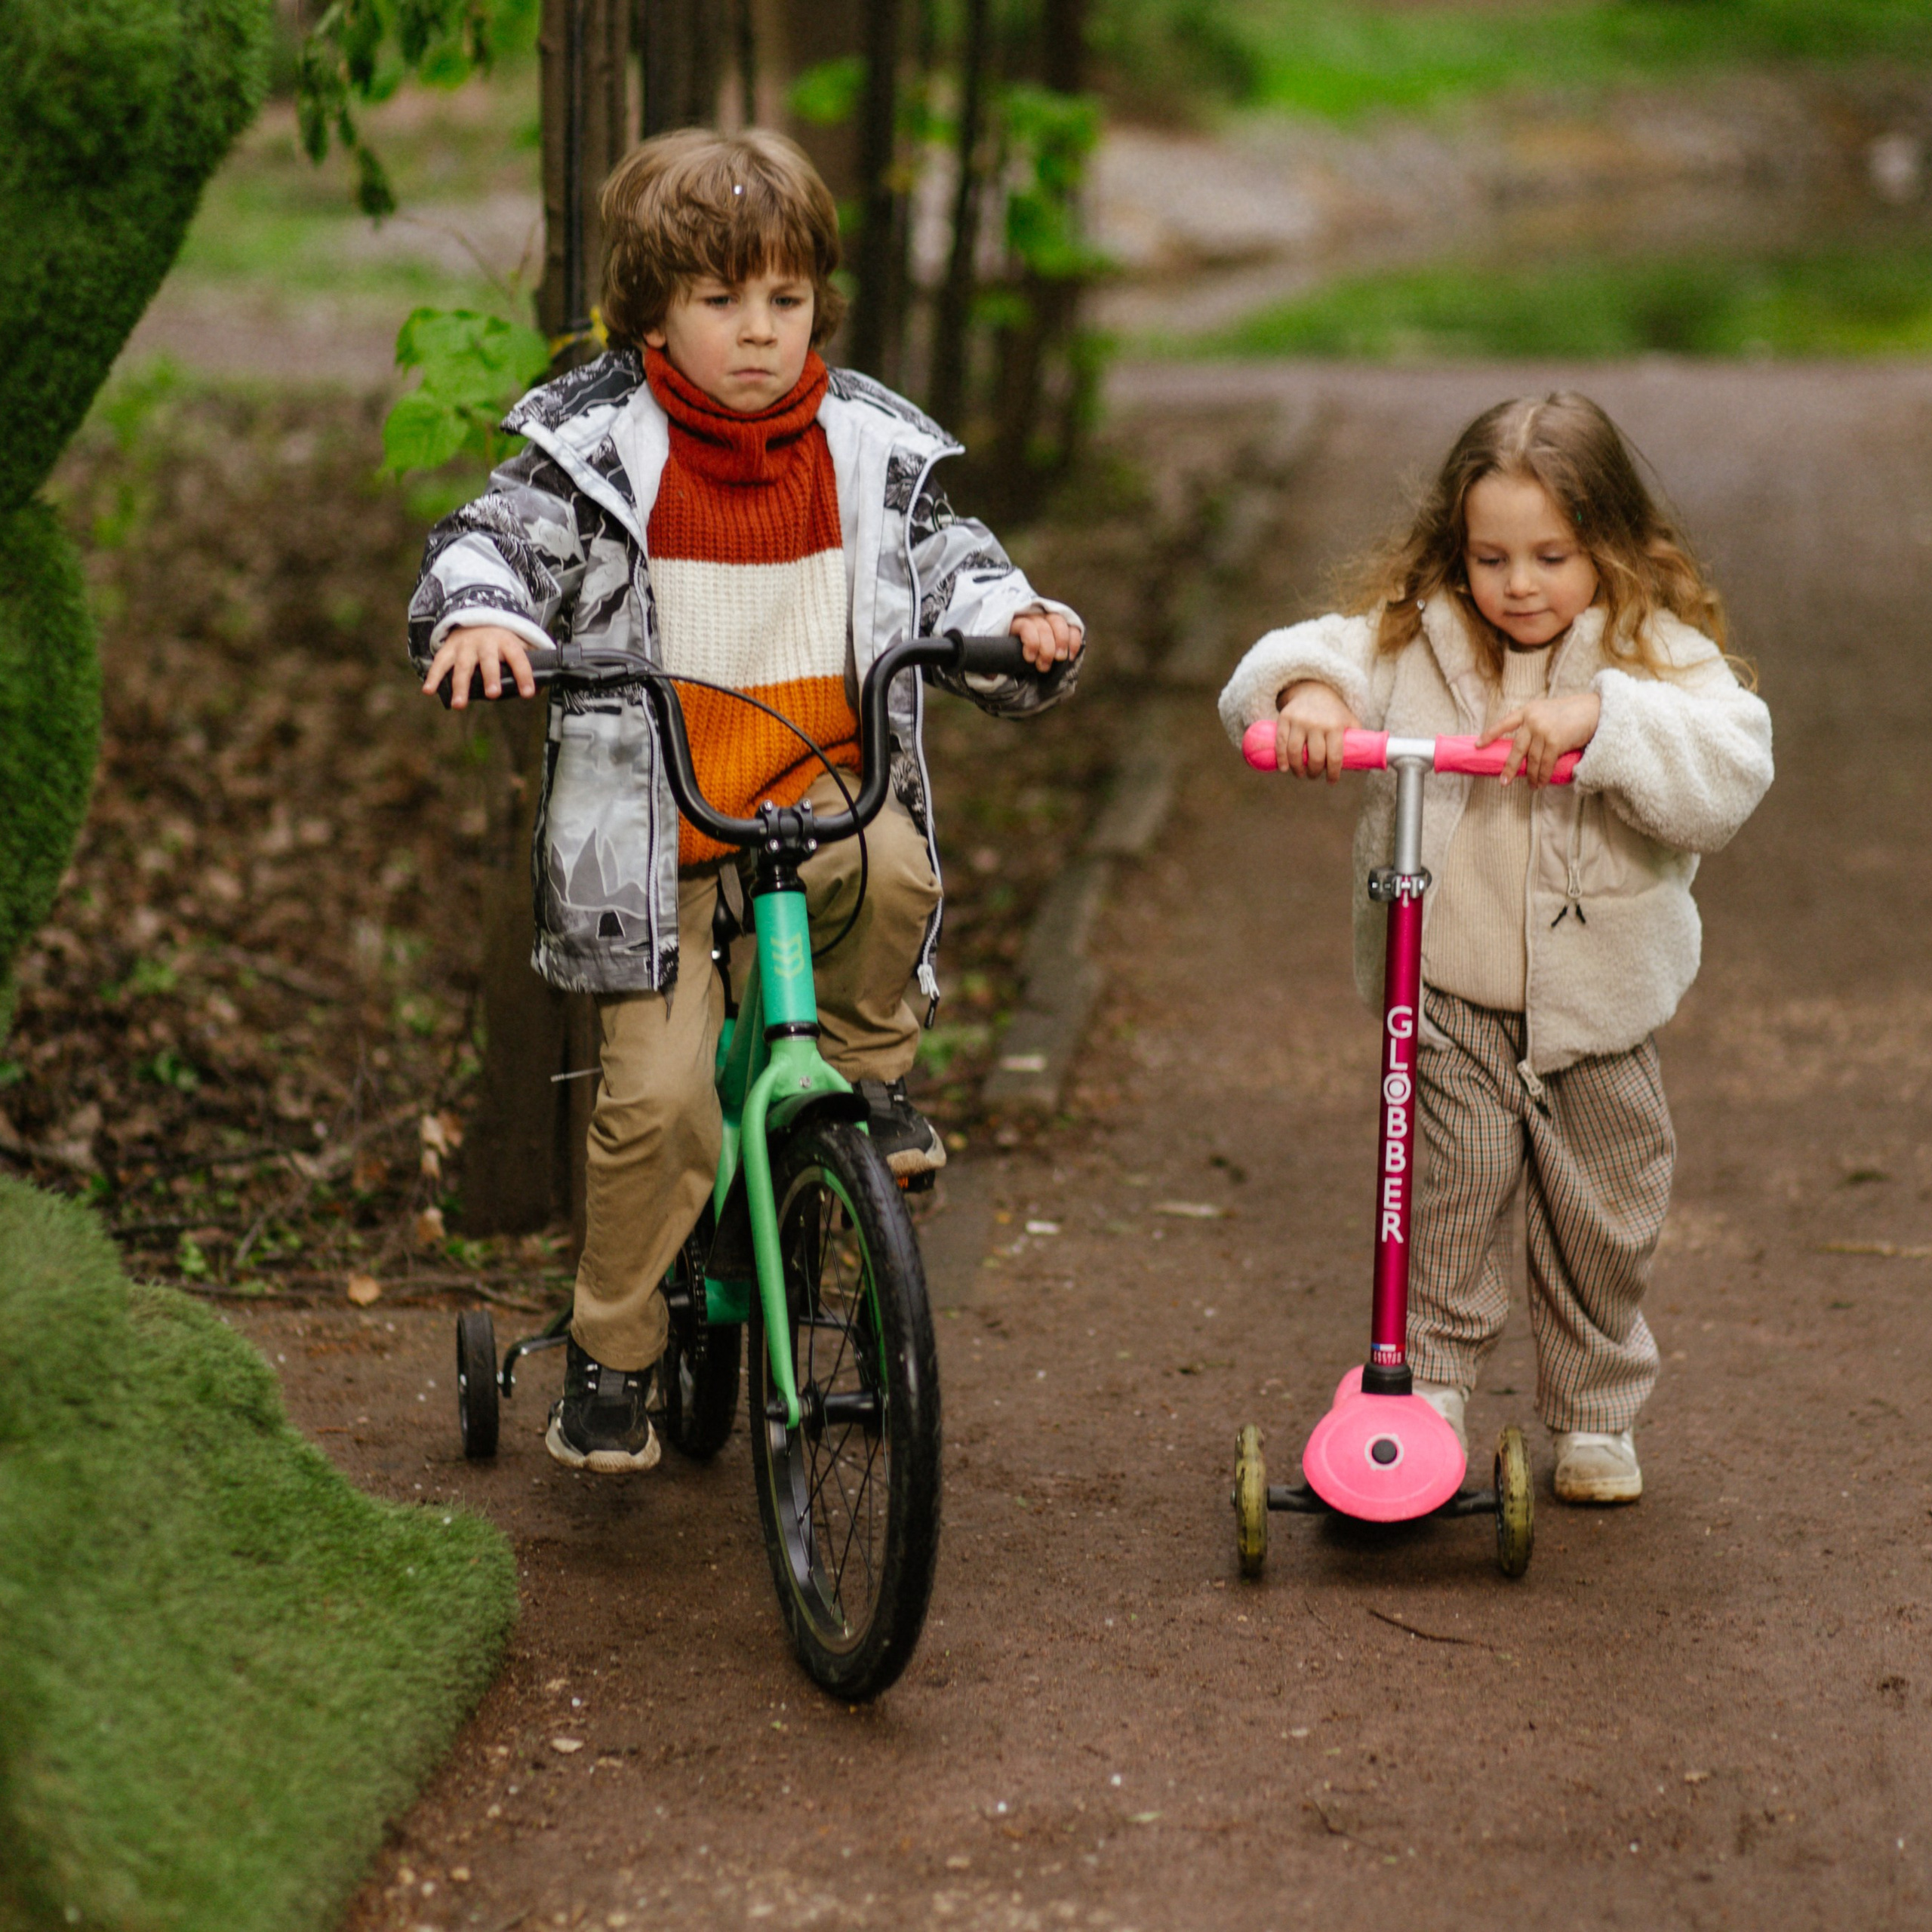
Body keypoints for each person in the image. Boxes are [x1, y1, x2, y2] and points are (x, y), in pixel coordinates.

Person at [409, 128, 1083, 1473]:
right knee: (658, 1104)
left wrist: (1015, 617)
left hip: (823, 799)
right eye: (721, 303)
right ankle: (613, 1356)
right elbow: (489, 543)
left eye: (785, 300)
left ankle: (873, 1089)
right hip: (659, 831)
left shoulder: (869, 446)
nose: (760, 334)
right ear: (651, 309)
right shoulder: (594, 449)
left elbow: (954, 561)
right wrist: (485, 613)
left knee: (894, 875)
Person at [1217, 393, 1771, 1504]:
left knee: (1603, 1217)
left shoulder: (1654, 656)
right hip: (1449, 992)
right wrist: (1315, 694)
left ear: (1609, 545)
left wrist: (1602, 722)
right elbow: (1293, 660)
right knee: (1447, 1191)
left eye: (1553, 556)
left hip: (1598, 1010)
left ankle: (1596, 1414)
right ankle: (1428, 1388)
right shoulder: (1420, 634)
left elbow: (1730, 767)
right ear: (1455, 550)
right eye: (1492, 557)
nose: (1520, 584)